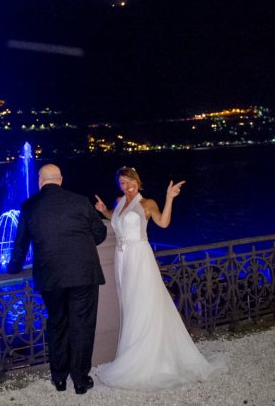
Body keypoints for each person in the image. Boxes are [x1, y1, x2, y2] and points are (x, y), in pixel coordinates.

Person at [94, 166, 227, 390]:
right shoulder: (118, 202)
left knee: (144, 305)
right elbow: (117, 221)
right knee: (130, 305)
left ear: (138, 180)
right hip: (122, 260)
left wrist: (169, 198)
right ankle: (132, 352)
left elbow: (163, 223)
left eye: (130, 181)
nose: (127, 186)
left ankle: (146, 359)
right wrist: (104, 210)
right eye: (123, 182)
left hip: (139, 258)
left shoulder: (147, 204)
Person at [6, 164, 107, 394]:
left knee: (57, 323)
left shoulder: (29, 206)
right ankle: (80, 380)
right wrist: (82, 246)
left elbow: (20, 246)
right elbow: (100, 232)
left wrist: (13, 268)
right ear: (61, 180)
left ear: (40, 181)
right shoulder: (80, 201)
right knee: (82, 325)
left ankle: (59, 378)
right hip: (83, 274)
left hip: (50, 277)